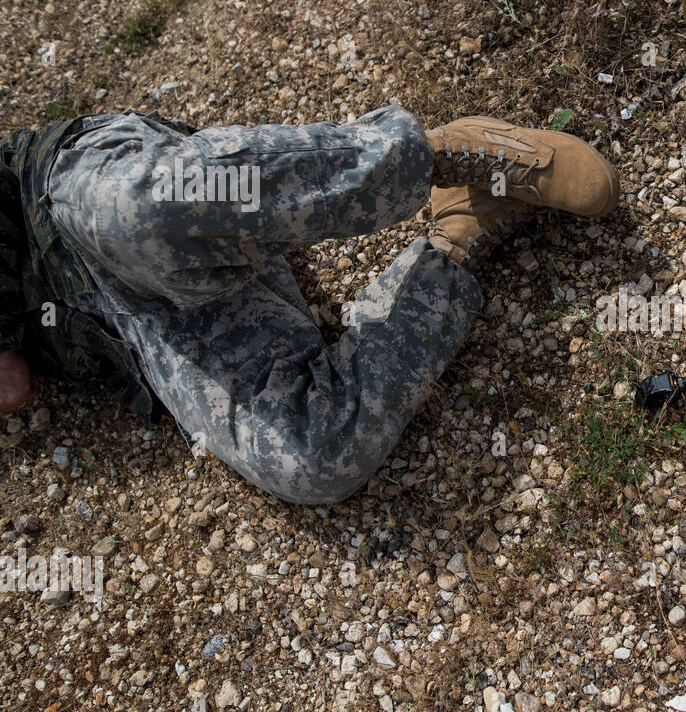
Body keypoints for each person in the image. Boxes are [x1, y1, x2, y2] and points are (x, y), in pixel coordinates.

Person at [0, 107, 618, 503]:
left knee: (145, 211)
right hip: (119, 330)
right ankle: (458, 231)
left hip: (51, 205)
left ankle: (436, 154)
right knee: (310, 455)